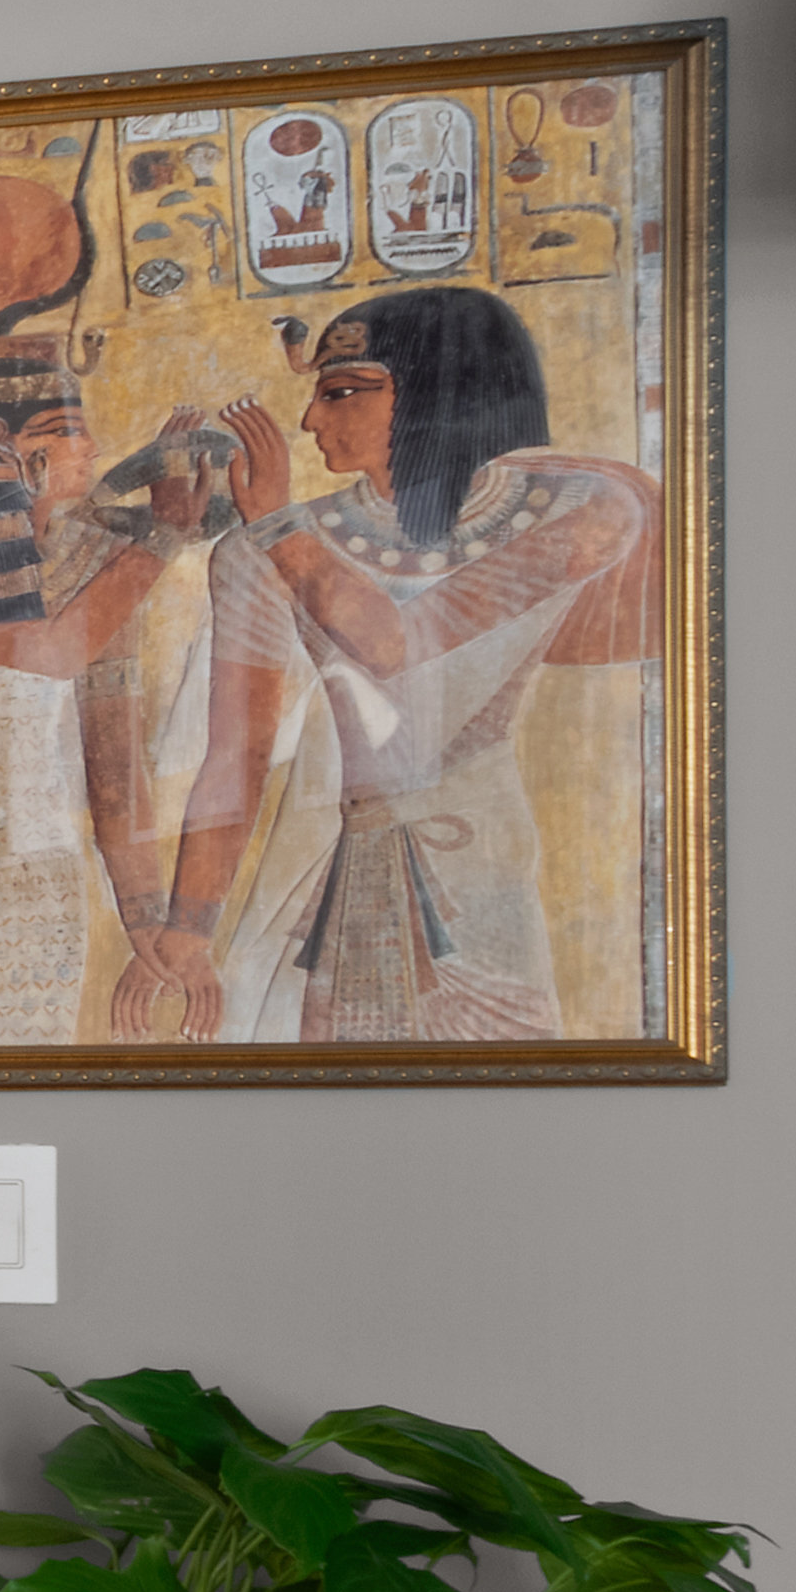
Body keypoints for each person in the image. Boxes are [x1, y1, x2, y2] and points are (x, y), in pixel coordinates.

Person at [107, 286, 656, 1044]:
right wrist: (188, 934)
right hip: (339, 864)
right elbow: (237, 757)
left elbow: (401, 646)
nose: (309, 420)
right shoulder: (263, 552)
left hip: (481, 865)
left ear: (443, 389)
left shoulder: (581, 509)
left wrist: (276, 528)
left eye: (343, 393)